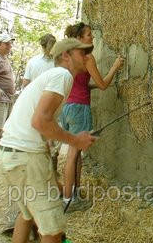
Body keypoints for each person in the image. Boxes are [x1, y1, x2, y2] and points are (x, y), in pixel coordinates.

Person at [0, 38, 96, 243]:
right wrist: (76, 141)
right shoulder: (62, 75)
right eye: (82, 53)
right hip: (26, 159)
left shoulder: (51, 76)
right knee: (52, 230)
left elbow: (42, 123)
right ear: (66, 56)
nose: (87, 57)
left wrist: (51, 176)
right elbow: (40, 121)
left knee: (27, 215)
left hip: (12, 156)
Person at [60, 22, 124, 210]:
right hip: (80, 108)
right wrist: (115, 66)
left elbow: (80, 84)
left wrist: (94, 84)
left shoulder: (69, 57)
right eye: (89, 34)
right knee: (73, 155)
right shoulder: (87, 58)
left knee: (77, 154)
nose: (92, 37)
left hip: (68, 108)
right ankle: (68, 200)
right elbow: (104, 85)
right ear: (80, 38)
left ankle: (76, 193)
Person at [0, 32, 15, 164]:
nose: (9, 46)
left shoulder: (4, 58)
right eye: (6, 43)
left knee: (2, 129)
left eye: (10, 43)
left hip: (7, 99)